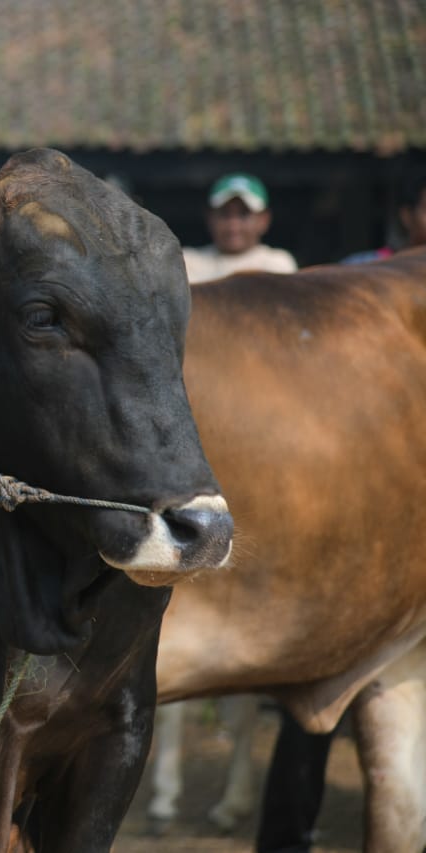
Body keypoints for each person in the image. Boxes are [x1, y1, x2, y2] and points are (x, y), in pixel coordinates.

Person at [255, 170, 426, 853]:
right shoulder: (361, 279)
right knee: (314, 700)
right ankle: (285, 836)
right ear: (410, 213)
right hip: (350, 512)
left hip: (404, 514)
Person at [183, 173, 298, 284]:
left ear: (264, 220)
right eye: (225, 214)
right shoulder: (186, 263)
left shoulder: (277, 265)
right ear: (210, 218)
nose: (233, 226)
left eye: (244, 215)